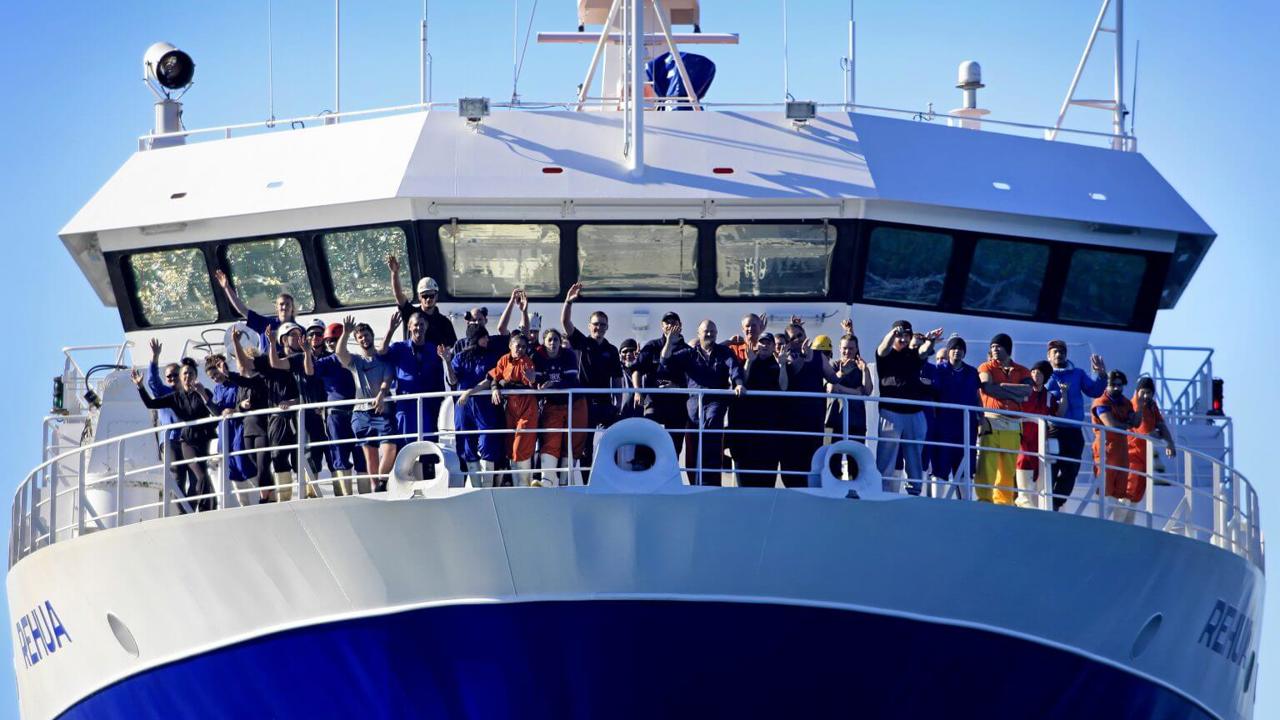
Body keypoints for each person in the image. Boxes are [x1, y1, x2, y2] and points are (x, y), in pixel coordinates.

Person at [659, 320, 744, 486]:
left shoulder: (723, 351)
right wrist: (669, 341)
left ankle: (710, 483)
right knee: (693, 442)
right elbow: (666, 363)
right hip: (693, 404)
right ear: (699, 334)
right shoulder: (689, 354)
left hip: (715, 401)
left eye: (713, 331)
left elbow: (734, 368)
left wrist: (739, 383)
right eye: (706, 331)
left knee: (711, 432)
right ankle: (695, 482)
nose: (710, 334)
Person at [131, 363, 219, 512]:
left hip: (204, 440)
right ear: (180, 377)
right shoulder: (175, 397)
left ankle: (203, 508)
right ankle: (193, 510)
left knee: (201, 479)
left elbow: (216, 413)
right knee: (198, 476)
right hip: (187, 442)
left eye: (191, 373)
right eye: (184, 374)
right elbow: (150, 403)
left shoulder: (205, 392)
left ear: (195, 376)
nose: (187, 376)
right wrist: (140, 386)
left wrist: (203, 394)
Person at [459, 333, 539, 485]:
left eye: (524, 346)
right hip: (510, 408)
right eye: (518, 346)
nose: (521, 349)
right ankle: (515, 485)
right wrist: (472, 391)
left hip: (527, 407)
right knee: (509, 446)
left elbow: (530, 381)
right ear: (510, 346)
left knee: (520, 446)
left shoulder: (526, 362)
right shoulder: (504, 360)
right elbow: (491, 379)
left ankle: (523, 486)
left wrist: (531, 380)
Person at [875, 320, 942, 494]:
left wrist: (931, 340)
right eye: (900, 336)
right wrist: (892, 334)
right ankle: (883, 492)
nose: (903, 339)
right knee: (886, 458)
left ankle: (914, 492)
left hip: (915, 413)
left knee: (914, 458)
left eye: (907, 336)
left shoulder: (913, 354)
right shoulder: (885, 355)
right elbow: (883, 348)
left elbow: (924, 350)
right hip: (891, 413)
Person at [561, 282, 623, 469]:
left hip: (604, 403)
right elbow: (565, 323)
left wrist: (618, 403)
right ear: (589, 326)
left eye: (602, 325)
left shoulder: (611, 350)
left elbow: (617, 378)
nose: (599, 328)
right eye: (596, 324)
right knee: (585, 445)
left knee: (609, 442)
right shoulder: (581, 342)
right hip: (584, 402)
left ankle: (608, 475)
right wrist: (568, 302)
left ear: (607, 327)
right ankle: (588, 481)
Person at [1043, 340, 1108, 510]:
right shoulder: (1045, 375)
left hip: (1074, 431)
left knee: (1071, 470)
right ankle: (1047, 501)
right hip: (1053, 430)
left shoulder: (1077, 374)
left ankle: (1057, 503)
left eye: (1062, 351)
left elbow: (1094, 390)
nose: (1059, 354)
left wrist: (1101, 375)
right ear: (1048, 356)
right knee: (1050, 467)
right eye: (1055, 351)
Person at [335, 317, 397, 492]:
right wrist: (346, 333)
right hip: (361, 413)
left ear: (372, 336)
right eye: (360, 337)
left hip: (382, 410)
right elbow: (340, 353)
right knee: (370, 457)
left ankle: (382, 482)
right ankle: (376, 488)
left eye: (366, 335)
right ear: (357, 340)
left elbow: (387, 379)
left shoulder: (384, 360)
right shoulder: (355, 361)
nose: (364, 339)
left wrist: (381, 394)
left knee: (390, 448)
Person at [976, 333, 1033, 505]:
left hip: (1013, 425)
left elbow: (1028, 391)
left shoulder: (1022, 370)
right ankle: (985, 499)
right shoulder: (986, 367)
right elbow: (987, 388)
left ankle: (1003, 501)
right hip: (992, 421)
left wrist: (1002, 387)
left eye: (998, 346)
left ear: (1007, 348)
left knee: (1008, 468)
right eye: (992, 347)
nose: (994, 349)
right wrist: (1015, 394)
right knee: (987, 463)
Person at [220, 337, 277, 502]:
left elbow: (249, 383)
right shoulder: (241, 385)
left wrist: (228, 374)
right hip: (247, 430)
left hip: (261, 428)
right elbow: (240, 404)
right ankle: (270, 494)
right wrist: (239, 407)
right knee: (255, 465)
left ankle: (264, 498)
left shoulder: (260, 379)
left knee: (262, 466)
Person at [312, 322, 365, 495]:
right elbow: (309, 371)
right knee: (339, 456)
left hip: (358, 413)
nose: (330, 344)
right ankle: (345, 497)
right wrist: (306, 352)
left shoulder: (356, 360)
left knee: (361, 454)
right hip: (335, 415)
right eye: (328, 341)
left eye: (334, 340)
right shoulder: (325, 362)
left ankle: (367, 494)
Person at [380, 311, 446, 446]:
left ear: (426, 327)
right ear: (409, 327)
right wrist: (391, 330)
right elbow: (381, 352)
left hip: (428, 405)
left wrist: (439, 401)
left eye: (422, 325)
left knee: (428, 445)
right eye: (416, 325)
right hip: (405, 405)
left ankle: (427, 467)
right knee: (405, 446)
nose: (419, 328)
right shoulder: (399, 348)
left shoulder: (434, 349)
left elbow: (439, 377)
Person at [925, 336, 981, 498]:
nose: (957, 351)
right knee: (940, 463)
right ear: (948, 351)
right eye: (954, 348)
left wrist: (981, 417)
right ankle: (937, 501)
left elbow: (977, 397)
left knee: (965, 464)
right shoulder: (939, 370)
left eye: (960, 349)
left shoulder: (971, 373)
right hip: (943, 426)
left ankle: (966, 502)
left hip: (966, 427)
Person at [534, 328, 589, 486]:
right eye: (549, 339)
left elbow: (571, 380)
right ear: (543, 342)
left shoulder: (568, 355)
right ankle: (547, 481)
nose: (553, 343)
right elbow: (536, 381)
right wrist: (537, 385)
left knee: (573, 441)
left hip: (575, 402)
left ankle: (566, 482)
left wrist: (553, 384)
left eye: (556, 339)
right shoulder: (538, 357)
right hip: (553, 403)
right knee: (551, 439)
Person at [731, 332, 787, 487]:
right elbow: (744, 381)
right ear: (757, 344)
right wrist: (749, 362)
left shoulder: (778, 363)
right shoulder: (750, 360)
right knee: (744, 483)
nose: (765, 345)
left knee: (766, 481)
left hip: (769, 432)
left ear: (773, 346)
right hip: (747, 432)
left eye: (769, 343)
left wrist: (782, 366)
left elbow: (784, 387)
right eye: (762, 342)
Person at [636, 312, 693, 453]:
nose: (670, 325)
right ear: (662, 326)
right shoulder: (652, 346)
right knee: (647, 436)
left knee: (674, 447)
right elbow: (637, 369)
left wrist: (677, 387)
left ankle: (669, 471)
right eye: (667, 322)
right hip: (654, 401)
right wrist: (637, 391)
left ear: (680, 326)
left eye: (674, 322)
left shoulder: (688, 351)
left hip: (677, 404)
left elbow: (693, 380)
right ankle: (642, 465)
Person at [1014, 360, 1067, 508]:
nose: (1035, 375)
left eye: (1039, 373)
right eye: (1033, 372)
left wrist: (1064, 394)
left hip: (1039, 444)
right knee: (1023, 468)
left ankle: (1037, 509)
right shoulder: (1023, 392)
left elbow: (1059, 413)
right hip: (1022, 441)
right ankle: (1023, 504)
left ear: (1046, 377)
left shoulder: (1048, 397)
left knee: (1040, 485)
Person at [213, 269, 296, 355]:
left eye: (288, 304)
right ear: (276, 308)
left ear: (292, 308)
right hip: (266, 365)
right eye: (281, 304)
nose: (284, 307)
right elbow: (242, 310)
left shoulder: (298, 329)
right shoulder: (266, 323)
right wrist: (227, 288)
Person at [145, 339, 188, 499]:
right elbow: (153, 381)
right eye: (168, 376)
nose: (171, 378)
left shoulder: (190, 393)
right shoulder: (164, 393)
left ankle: (193, 507)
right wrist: (155, 357)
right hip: (171, 440)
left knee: (197, 476)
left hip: (189, 440)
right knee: (178, 478)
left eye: (175, 375)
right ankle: (184, 511)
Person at [387, 254, 457, 347]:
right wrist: (394, 273)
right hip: (413, 359)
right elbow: (398, 295)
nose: (428, 299)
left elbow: (453, 348)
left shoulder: (444, 323)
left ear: (436, 296)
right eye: (425, 296)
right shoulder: (410, 313)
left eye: (431, 295)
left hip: (434, 361)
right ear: (419, 297)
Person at [1091, 370, 1140, 504]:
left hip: (1121, 451)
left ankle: (1114, 521)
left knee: (1120, 488)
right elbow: (1111, 424)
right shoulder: (1101, 402)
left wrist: (1139, 405)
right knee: (1104, 485)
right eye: (1114, 385)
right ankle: (1101, 518)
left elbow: (1136, 422)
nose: (1117, 388)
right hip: (1105, 449)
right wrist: (1127, 424)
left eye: (1120, 385)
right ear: (1107, 385)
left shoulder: (1126, 403)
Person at [1127, 376, 1177, 503]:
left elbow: (1161, 425)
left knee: (1138, 494)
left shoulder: (1151, 406)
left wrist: (1170, 443)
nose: (1145, 396)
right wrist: (1159, 435)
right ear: (1137, 391)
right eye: (1142, 392)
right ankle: (1118, 521)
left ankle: (1127, 522)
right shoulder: (1134, 406)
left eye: (1148, 393)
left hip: (1145, 457)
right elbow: (1148, 433)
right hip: (1133, 456)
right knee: (1129, 491)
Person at [825, 330, 874, 442]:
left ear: (856, 349)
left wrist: (865, 370)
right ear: (839, 348)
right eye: (844, 348)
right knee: (833, 458)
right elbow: (832, 388)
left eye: (851, 348)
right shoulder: (835, 365)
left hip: (857, 422)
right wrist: (856, 392)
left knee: (854, 459)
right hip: (835, 420)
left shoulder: (861, 368)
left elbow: (867, 391)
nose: (847, 351)